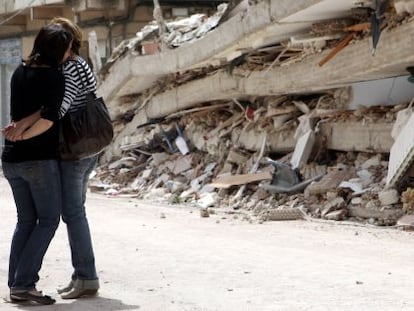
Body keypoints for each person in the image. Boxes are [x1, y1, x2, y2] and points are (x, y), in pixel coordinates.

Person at [3, 17, 101, 299]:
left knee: (66, 214)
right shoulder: (63, 70)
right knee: (59, 216)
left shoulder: (56, 70)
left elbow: (53, 112)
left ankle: (83, 276)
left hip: (74, 150)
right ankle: (75, 277)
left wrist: (21, 129)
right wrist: (23, 128)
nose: (69, 52)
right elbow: (51, 111)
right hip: (56, 154)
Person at [1, 24, 73, 305]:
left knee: (26, 220)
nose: (69, 53)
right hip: (38, 162)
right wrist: (24, 134)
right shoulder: (55, 77)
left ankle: (16, 284)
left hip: (12, 161)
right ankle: (24, 283)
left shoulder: (20, 71)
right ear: (57, 50)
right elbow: (48, 119)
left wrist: (18, 133)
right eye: (67, 47)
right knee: (48, 220)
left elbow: (36, 111)